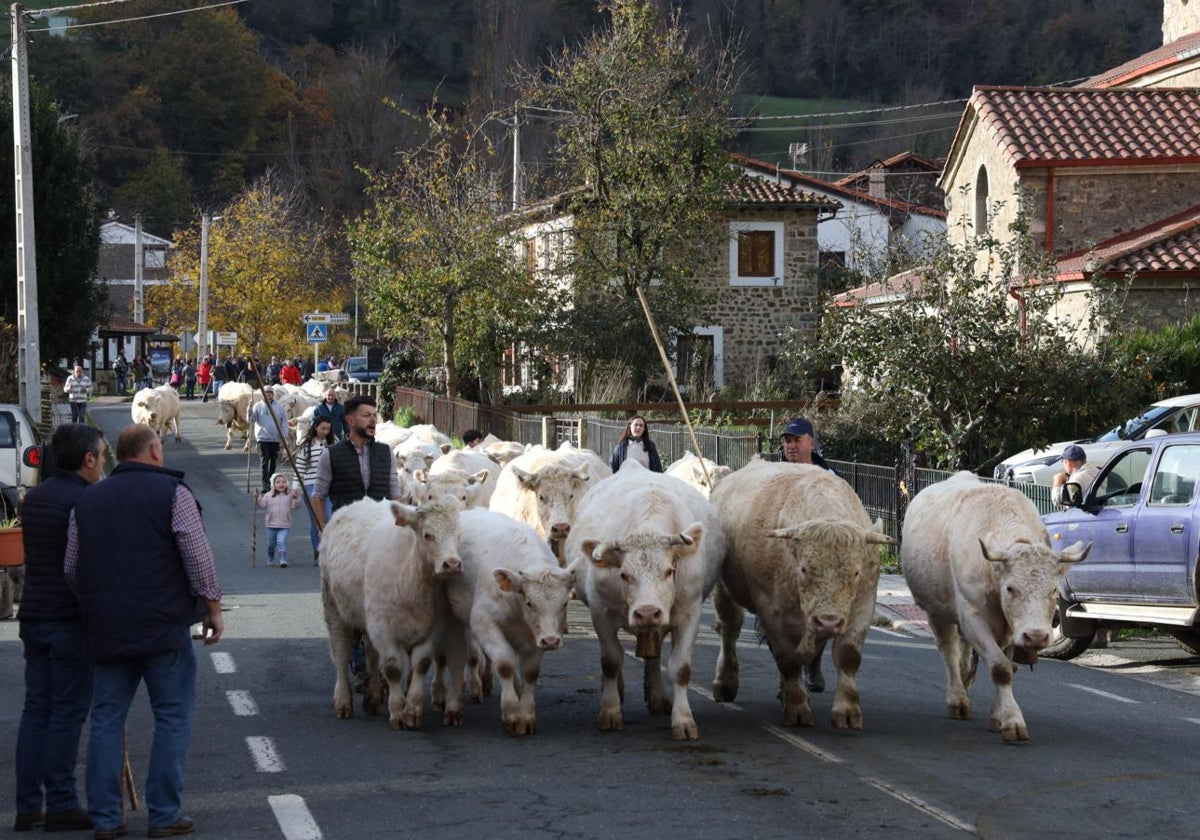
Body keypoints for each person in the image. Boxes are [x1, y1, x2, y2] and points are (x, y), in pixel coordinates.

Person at [65, 424, 223, 840]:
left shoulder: (88, 499)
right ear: (154, 450)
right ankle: (164, 815)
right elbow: (197, 556)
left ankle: (105, 818)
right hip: (163, 626)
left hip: (106, 627)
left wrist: (100, 602)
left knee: (104, 720)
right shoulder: (175, 494)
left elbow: (71, 567)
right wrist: (213, 608)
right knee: (171, 717)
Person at [13, 424, 107, 833]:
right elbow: (85, 566)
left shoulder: (33, 499)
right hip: (69, 618)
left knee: (37, 709)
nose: (103, 462)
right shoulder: (87, 500)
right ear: (88, 459)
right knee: (67, 713)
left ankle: (28, 805)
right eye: (102, 456)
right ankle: (63, 803)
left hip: (33, 613)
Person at [780, 417, 837, 693]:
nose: (791, 446)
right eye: (788, 441)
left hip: (820, 560)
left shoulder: (829, 478)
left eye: (797, 440)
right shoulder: (775, 476)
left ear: (811, 444)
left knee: (824, 613)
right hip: (784, 557)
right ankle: (788, 678)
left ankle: (813, 661)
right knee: (782, 619)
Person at [311, 395, 404, 530]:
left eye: (374, 415)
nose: (373, 419)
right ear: (351, 420)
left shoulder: (386, 452)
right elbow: (318, 495)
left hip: (380, 532)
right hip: (345, 532)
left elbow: (395, 493)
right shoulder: (330, 454)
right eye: (366, 415)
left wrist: (399, 526)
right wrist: (322, 528)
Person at [296, 417, 333, 565]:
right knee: (316, 520)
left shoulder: (332, 443)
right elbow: (299, 467)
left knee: (329, 517)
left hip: (329, 485)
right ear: (316, 427)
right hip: (311, 485)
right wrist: (295, 488)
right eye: (322, 428)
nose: (325, 431)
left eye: (328, 429)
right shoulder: (307, 446)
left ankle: (327, 549)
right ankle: (317, 550)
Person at [250, 385, 291, 494]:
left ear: (273, 394)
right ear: (263, 394)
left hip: (275, 439)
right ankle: (265, 484)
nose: (268, 394)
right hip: (262, 438)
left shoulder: (279, 407)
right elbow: (251, 419)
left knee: (273, 462)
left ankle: (272, 481)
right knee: (264, 461)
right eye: (266, 392)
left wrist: (284, 437)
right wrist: (249, 409)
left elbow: (284, 423)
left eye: (270, 392)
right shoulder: (257, 406)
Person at [256, 473, 301, 568]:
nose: (281, 484)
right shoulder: (268, 495)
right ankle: (270, 558)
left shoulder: (289, 495)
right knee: (271, 544)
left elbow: (295, 506)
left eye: (284, 482)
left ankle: (283, 559)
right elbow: (263, 505)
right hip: (271, 524)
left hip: (284, 524)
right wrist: (257, 498)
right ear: (273, 485)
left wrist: (296, 498)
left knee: (281, 541)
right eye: (278, 482)